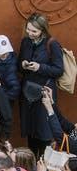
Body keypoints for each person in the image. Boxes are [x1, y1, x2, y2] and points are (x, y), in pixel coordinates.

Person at [18, 14, 65, 156]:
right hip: (27, 92)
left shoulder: (52, 44)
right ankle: (32, 164)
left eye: (34, 31)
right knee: (30, 130)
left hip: (44, 92)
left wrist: (40, 67)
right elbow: (19, 65)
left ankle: (43, 167)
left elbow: (59, 70)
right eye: (28, 29)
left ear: (43, 31)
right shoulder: (26, 42)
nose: (30, 33)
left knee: (44, 131)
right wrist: (23, 64)